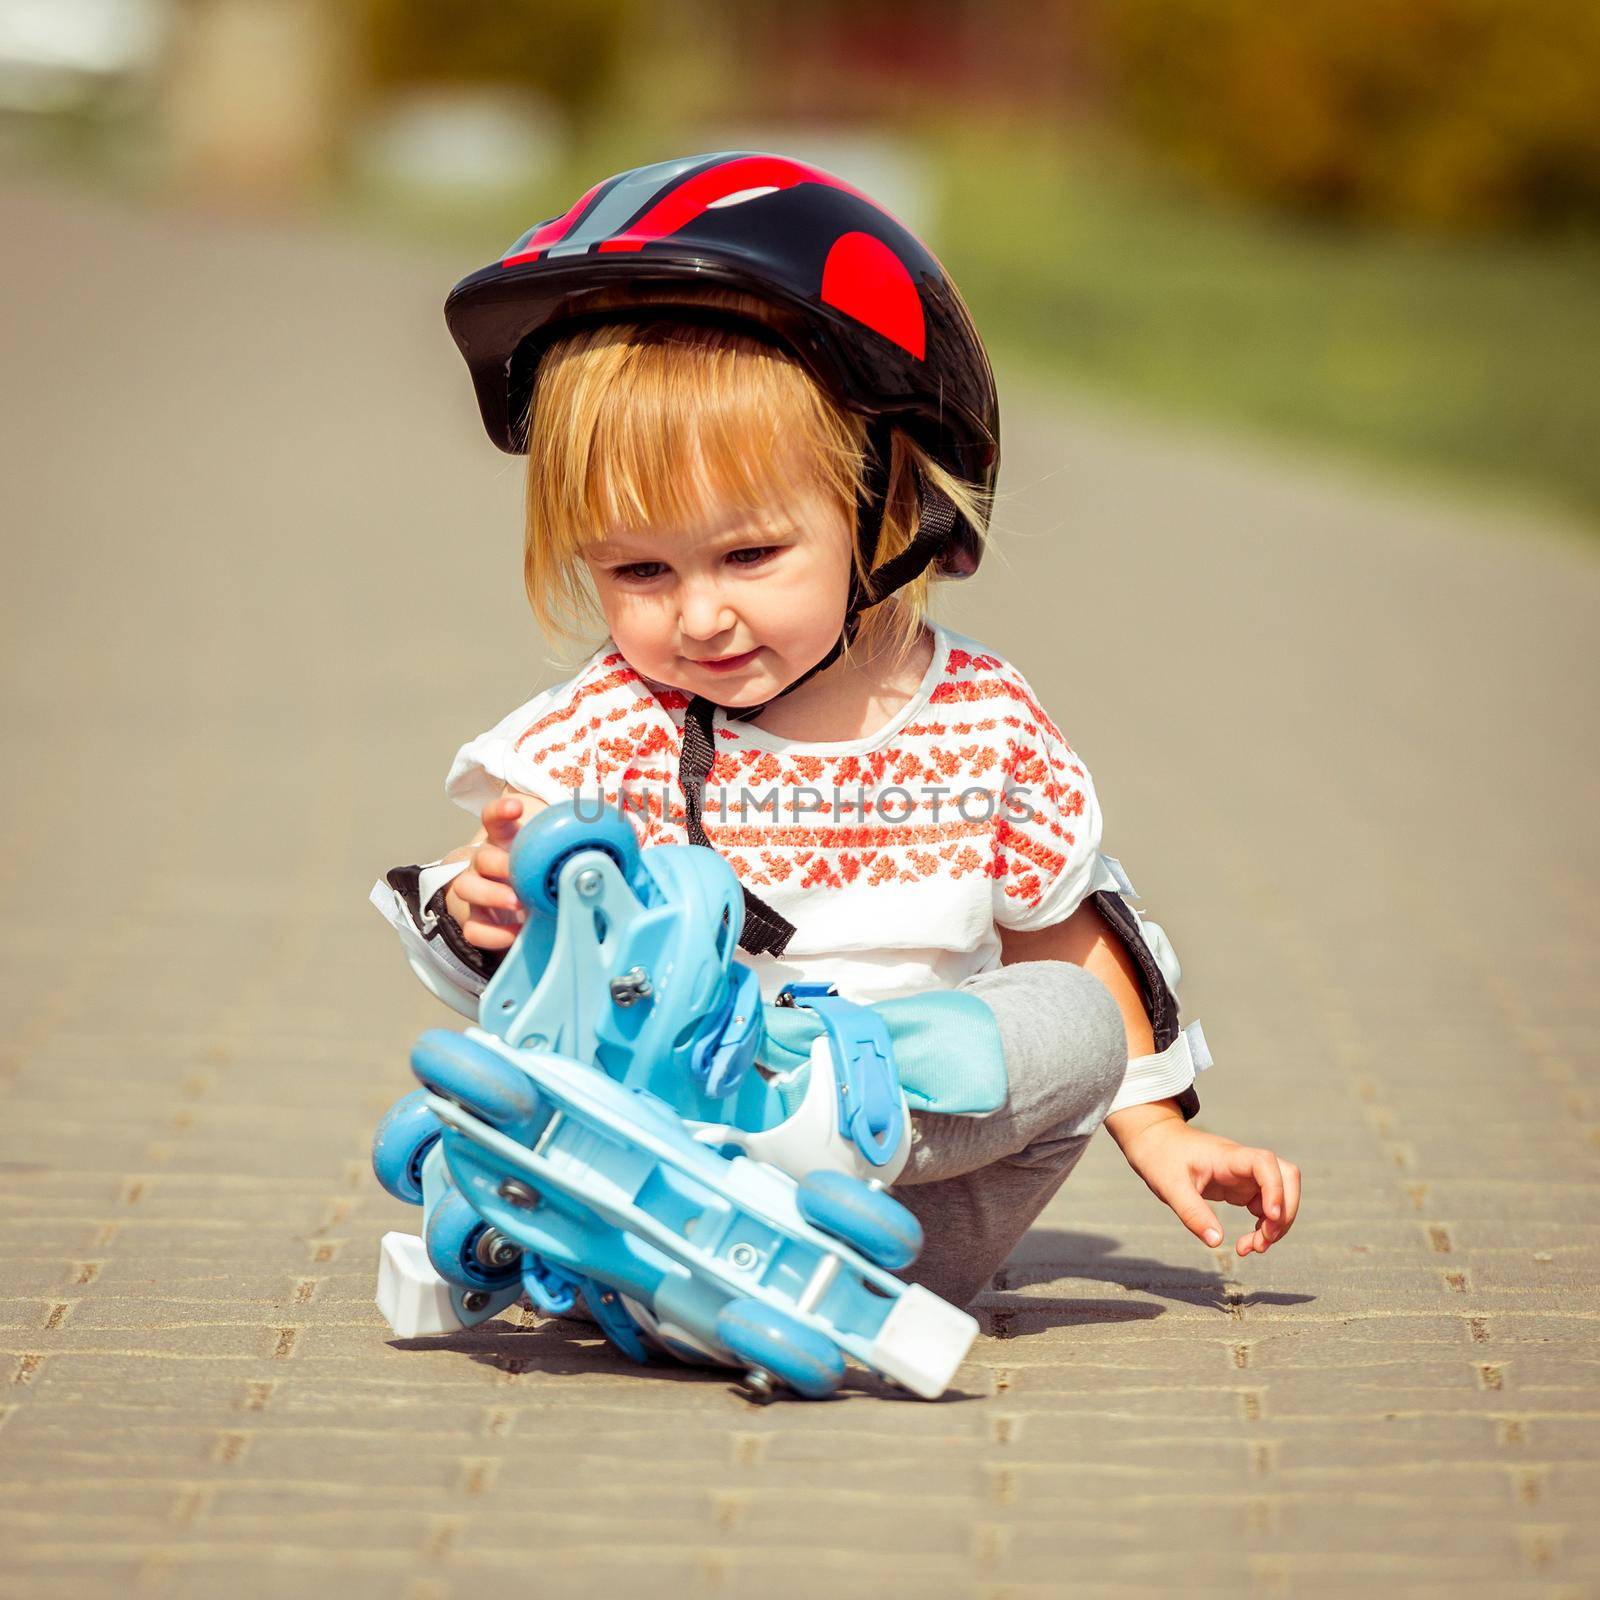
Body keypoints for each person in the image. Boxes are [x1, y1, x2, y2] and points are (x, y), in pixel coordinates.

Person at [372, 152, 1299, 1311]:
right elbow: (501, 887)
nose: (699, 613)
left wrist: (1158, 1130)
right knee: (584, 1008)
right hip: (662, 1155)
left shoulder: (982, 721)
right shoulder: (613, 723)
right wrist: (488, 907)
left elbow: (1064, 940)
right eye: (639, 569)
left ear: (885, 500)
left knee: (1070, 1022)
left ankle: (778, 1135)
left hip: (889, 1232)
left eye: (749, 555)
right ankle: (624, 1184)